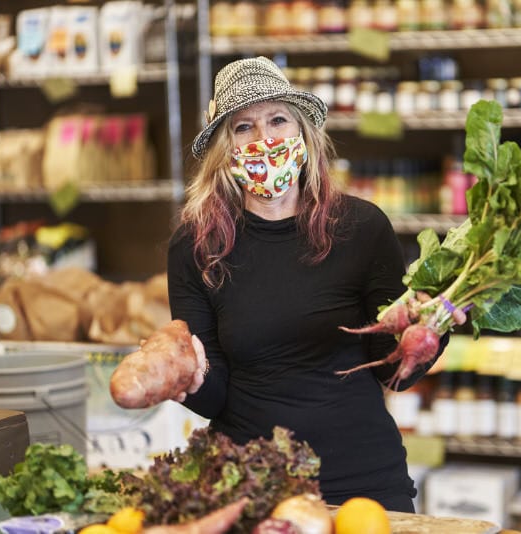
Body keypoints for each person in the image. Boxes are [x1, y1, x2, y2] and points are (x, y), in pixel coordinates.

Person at [167, 56, 460, 512]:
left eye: (278, 120)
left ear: (303, 134)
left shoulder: (362, 227)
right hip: (250, 483)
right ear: (224, 150)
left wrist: (431, 332)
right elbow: (215, 395)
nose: (264, 139)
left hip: (362, 482)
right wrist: (187, 379)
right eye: (243, 127)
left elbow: (392, 374)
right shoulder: (197, 244)